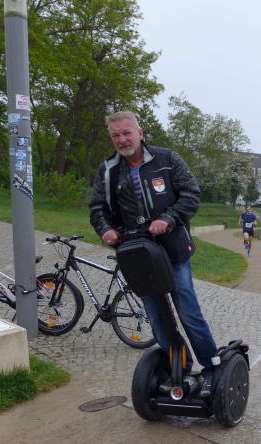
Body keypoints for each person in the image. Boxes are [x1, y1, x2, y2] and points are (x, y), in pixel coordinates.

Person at [89, 111, 218, 397]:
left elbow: (191, 193)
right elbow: (97, 208)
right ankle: (180, 368)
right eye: (115, 135)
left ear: (140, 133)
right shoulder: (108, 170)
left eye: (127, 133)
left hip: (173, 250)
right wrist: (105, 229)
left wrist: (169, 218)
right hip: (137, 255)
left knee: (188, 312)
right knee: (157, 318)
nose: (122, 139)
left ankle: (212, 369)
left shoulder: (167, 160)